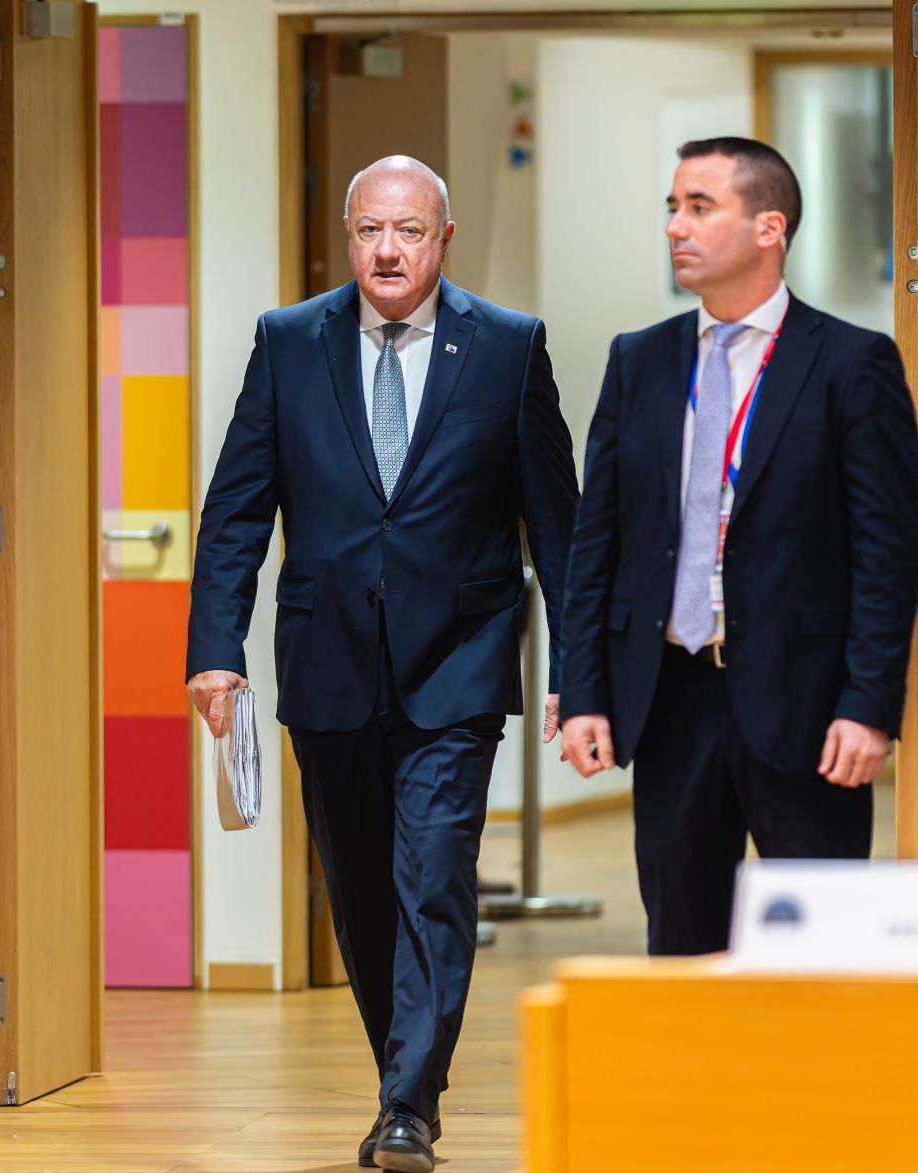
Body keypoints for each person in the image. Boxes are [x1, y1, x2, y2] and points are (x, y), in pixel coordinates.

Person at [185, 156, 577, 1171]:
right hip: (325, 662)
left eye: (408, 229)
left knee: (433, 873)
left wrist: (577, 669)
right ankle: (400, 1074)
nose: (387, 249)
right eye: (369, 230)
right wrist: (215, 651)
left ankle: (407, 1100)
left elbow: (556, 526)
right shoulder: (286, 343)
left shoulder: (507, 346)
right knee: (358, 889)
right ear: (347, 239)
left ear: (441, 238)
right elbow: (235, 511)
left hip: (458, 659)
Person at [558, 137, 918, 956]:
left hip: (803, 703)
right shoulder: (640, 360)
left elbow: (887, 552)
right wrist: (582, 690)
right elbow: (599, 544)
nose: (675, 227)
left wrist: (869, 705)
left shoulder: (850, 363)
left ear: (769, 227)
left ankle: (812, 1090)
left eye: (699, 207)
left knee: (819, 948)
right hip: (669, 697)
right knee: (681, 942)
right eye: (671, 207)